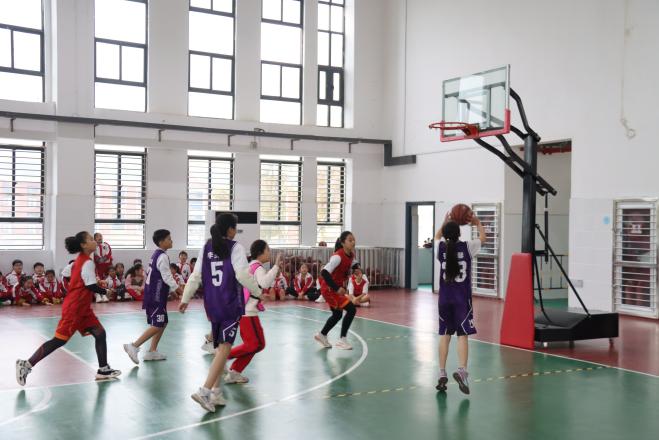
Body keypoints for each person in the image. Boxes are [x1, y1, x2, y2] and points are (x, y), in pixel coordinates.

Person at [179, 214, 262, 412]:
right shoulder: (236, 247)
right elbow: (243, 275)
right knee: (225, 348)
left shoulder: (206, 247)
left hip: (212, 304)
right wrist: (258, 291)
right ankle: (205, 391)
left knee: (219, 349)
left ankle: (216, 392)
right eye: (235, 227)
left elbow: (195, 276)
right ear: (231, 229)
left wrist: (185, 298)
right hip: (229, 304)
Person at [16, 231, 121, 386]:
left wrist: (91, 283)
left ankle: (103, 370)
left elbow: (77, 278)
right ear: (83, 245)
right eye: (91, 239)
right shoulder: (87, 262)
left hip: (83, 309)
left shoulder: (81, 261)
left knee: (100, 333)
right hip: (75, 308)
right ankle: (26, 364)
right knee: (59, 340)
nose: (94, 241)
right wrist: (106, 291)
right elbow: (90, 285)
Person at [435, 214, 486, 395]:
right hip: (461, 300)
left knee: (445, 334)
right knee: (462, 335)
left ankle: (442, 373)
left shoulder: (441, 248)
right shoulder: (467, 247)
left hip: (444, 299)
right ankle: (462, 372)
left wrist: (444, 222)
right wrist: (477, 223)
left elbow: (436, 236)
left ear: (445, 234)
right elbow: (483, 238)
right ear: (459, 233)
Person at [225, 239, 281, 384]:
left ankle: (234, 371)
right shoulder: (258, 268)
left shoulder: (251, 266)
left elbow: (256, 287)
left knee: (259, 344)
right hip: (247, 312)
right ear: (261, 252)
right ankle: (223, 356)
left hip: (249, 311)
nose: (269, 252)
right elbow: (264, 283)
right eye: (268, 250)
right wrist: (276, 266)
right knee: (254, 345)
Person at [123, 230, 183, 364]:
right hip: (155, 295)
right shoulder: (162, 256)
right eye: (169, 239)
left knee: (163, 322)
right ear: (161, 242)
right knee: (157, 324)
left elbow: (161, 276)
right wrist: (180, 291)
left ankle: (152, 351)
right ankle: (134, 346)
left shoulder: (158, 254)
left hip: (157, 294)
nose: (171, 240)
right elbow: (167, 277)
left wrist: (171, 292)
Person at [314, 231, 359, 350]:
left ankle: (322, 335)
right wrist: (336, 288)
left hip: (334, 289)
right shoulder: (337, 257)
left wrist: (357, 269)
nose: (353, 242)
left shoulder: (351, 254)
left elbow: (353, 264)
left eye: (354, 240)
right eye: (350, 240)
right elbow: (324, 272)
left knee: (337, 314)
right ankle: (342, 340)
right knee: (351, 309)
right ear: (343, 243)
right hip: (329, 289)